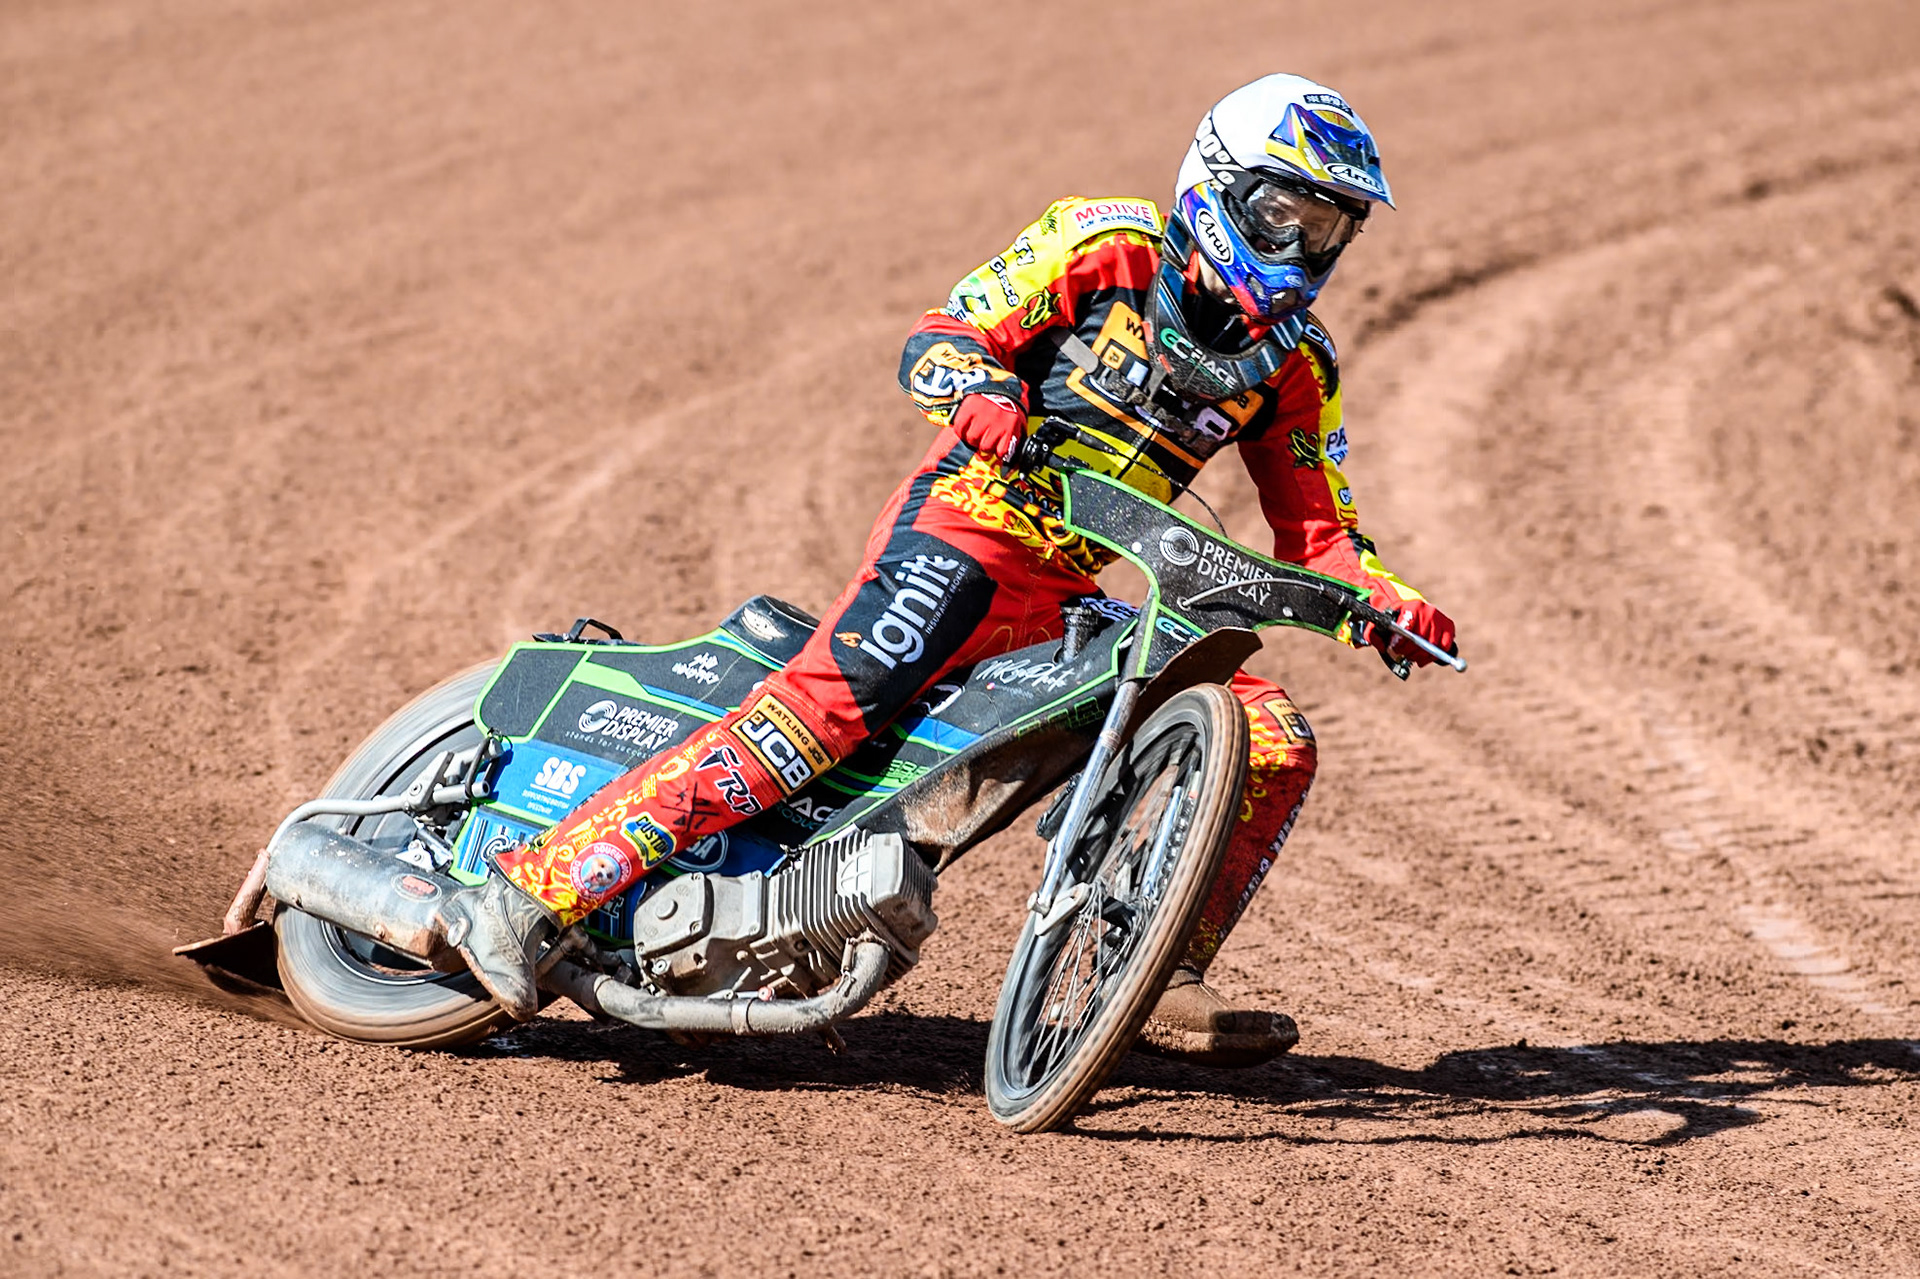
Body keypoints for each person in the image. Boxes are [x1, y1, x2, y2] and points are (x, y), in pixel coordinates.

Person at [440, 73, 1457, 1067]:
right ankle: (531, 889)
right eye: (1282, 213)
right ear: (1215, 185)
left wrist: (1384, 602)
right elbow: (946, 333)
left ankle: (1153, 969)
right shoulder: (1103, 243)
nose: (1299, 250)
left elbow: (1320, 536)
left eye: (1326, 231)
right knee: (822, 718)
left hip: (1073, 591)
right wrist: (980, 389)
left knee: (1272, 735)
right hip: (971, 522)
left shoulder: (1296, 365)